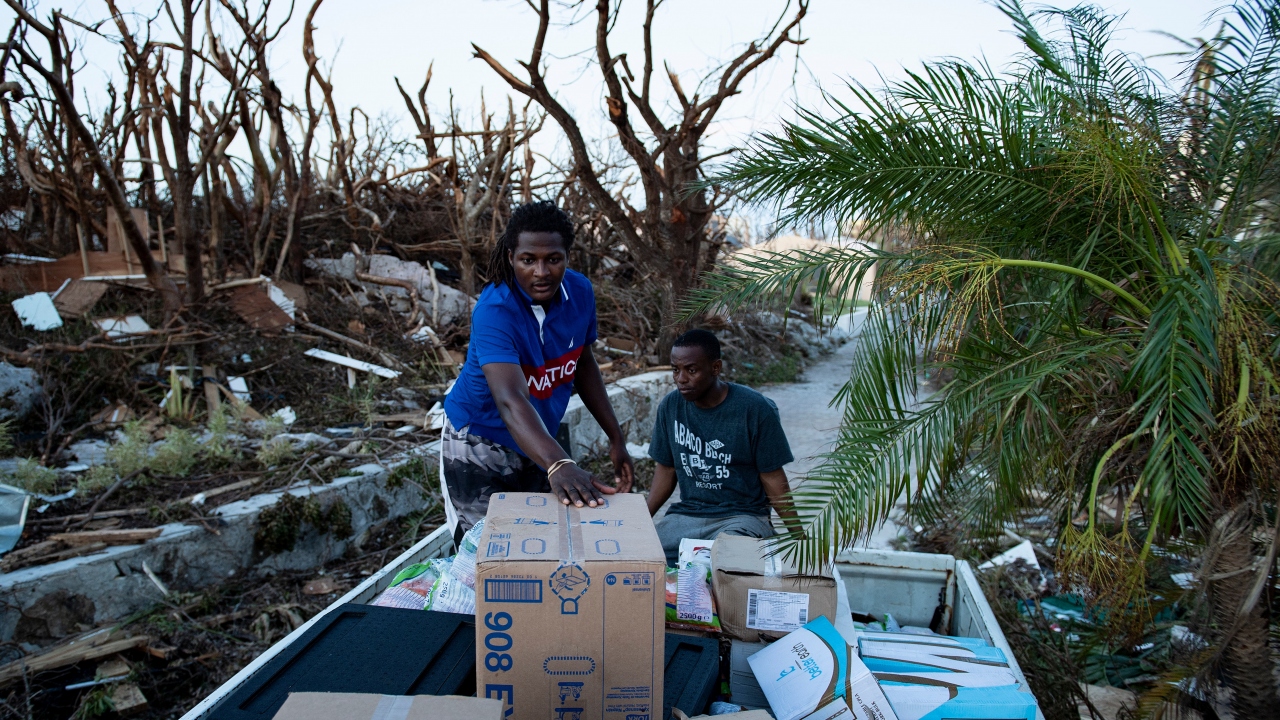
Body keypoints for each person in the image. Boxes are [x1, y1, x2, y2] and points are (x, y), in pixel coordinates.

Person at [442, 201, 633, 539]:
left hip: (537, 436)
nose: (541, 272)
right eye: (528, 260)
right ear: (511, 256)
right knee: (485, 553)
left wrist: (615, 436)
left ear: (568, 256)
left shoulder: (580, 293)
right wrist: (559, 463)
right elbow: (510, 399)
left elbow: (582, 363)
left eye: (553, 259)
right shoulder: (495, 310)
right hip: (479, 440)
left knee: (541, 542)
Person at [646, 329, 799, 566]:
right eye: (676, 370)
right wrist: (640, 525)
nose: (681, 379)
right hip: (688, 516)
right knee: (645, 559)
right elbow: (666, 470)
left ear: (716, 368)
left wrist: (798, 536)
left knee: (729, 565)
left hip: (742, 517)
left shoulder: (754, 408)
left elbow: (772, 477)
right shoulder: (670, 407)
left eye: (691, 370)